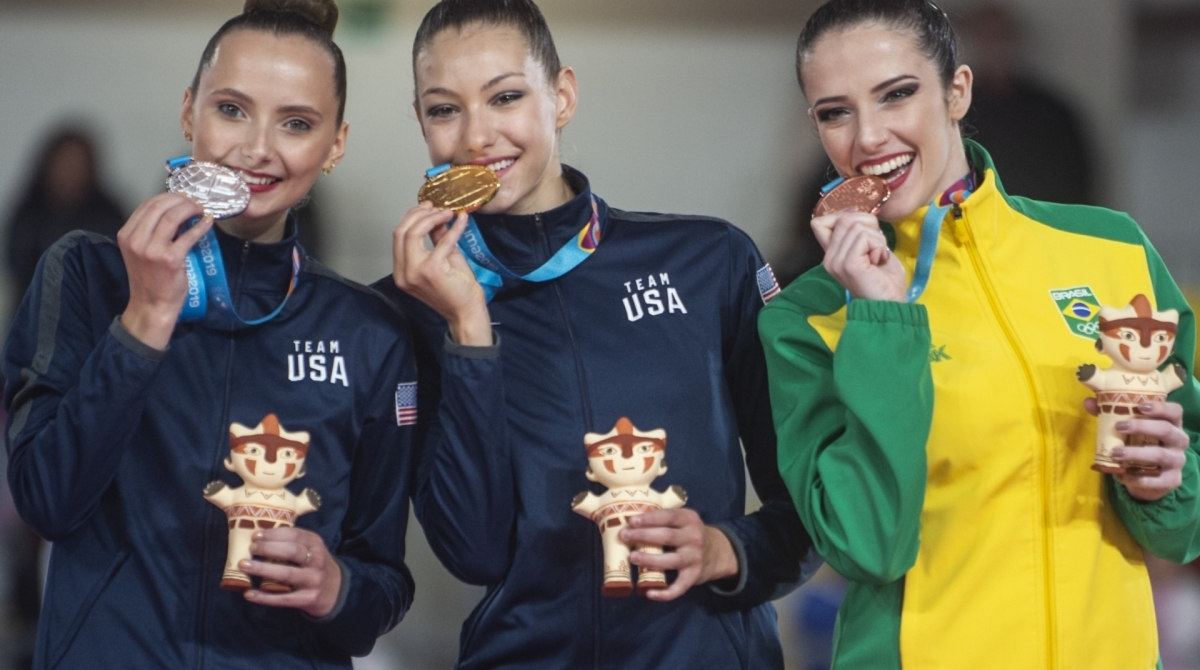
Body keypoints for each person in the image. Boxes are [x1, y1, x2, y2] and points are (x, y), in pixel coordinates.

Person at [375, 1, 818, 667]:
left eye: (505, 97)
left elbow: (810, 505)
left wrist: (729, 550)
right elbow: (476, 551)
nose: (476, 136)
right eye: (445, 109)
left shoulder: (710, 262)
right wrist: (468, 331)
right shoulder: (408, 308)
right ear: (421, 123)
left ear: (561, 95)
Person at [758, 1, 1200, 668]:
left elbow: (1183, 523)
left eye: (897, 95)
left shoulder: (1112, 253)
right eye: (835, 112)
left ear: (956, 91)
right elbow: (866, 544)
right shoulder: (808, 317)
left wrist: (1165, 485)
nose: (869, 136)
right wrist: (882, 317)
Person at [3, 1, 416, 668]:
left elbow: (384, 585)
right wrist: (142, 324)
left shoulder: (369, 334)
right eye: (232, 109)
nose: (257, 148)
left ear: (334, 145)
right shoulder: (87, 274)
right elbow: (46, 501)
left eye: (297, 123)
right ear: (190, 109)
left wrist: (336, 588)